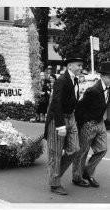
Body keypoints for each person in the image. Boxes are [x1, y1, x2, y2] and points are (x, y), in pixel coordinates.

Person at [44, 56, 84, 195]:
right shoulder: (61, 80)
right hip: (58, 119)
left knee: (75, 149)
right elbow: (56, 103)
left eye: (81, 65)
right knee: (55, 154)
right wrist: (60, 125)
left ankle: (54, 173)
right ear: (70, 66)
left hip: (71, 117)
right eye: (78, 65)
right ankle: (54, 184)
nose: (80, 68)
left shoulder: (75, 79)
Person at [73, 61, 110, 188]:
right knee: (82, 152)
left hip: (100, 123)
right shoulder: (93, 90)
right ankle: (77, 177)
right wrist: (83, 124)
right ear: (102, 76)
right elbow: (79, 109)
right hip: (88, 124)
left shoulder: (108, 89)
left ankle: (87, 172)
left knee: (103, 149)